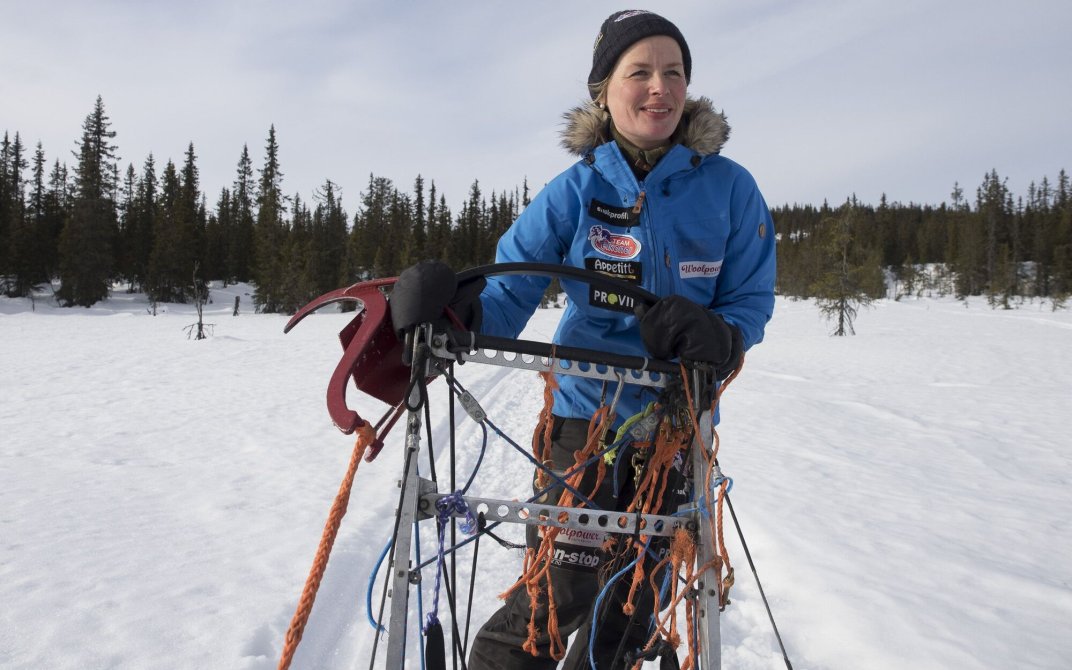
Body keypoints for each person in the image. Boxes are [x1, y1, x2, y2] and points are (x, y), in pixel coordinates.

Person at [390, 9, 776, 669]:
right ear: (604, 91)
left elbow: (749, 299)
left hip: (675, 429)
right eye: (640, 72)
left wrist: (720, 333)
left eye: (674, 72)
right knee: (558, 592)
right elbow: (511, 287)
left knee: (634, 607)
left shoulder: (730, 189)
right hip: (583, 425)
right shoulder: (575, 191)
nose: (660, 88)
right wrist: (456, 321)